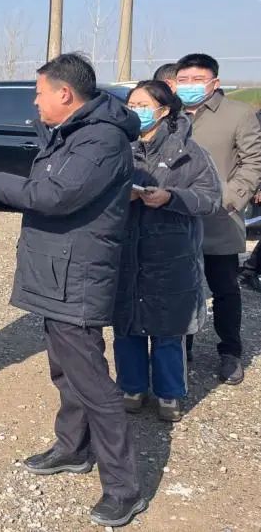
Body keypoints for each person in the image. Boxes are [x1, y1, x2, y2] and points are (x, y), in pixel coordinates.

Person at [0, 53, 145, 528]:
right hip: (57, 271)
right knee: (65, 371)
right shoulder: (73, 133)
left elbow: (52, 195)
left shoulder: (100, 140)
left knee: (94, 384)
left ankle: (124, 489)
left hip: (76, 276)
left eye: (39, 93)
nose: (34, 103)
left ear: (65, 93)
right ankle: (72, 448)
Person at [114, 81, 221, 423]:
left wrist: (171, 197)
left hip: (171, 255)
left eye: (143, 105)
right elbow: (97, 191)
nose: (136, 111)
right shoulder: (119, 148)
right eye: (131, 105)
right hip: (126, 252)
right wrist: (121, 195)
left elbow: (211, 199)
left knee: (168, 329)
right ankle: (131, 387)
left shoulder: (189, 152)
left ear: (163, 110)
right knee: (126, 325)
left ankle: (169, 393)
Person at [171, 53, 261, 384]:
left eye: (197, 80)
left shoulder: (238, 114)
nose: (189, 86)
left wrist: (231, 198)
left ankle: (230, 352)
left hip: (220, 216)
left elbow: (253, 161)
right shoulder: (171, 114)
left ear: (214, 82)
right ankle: (183, 347)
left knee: (224, 288)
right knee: (182, 287)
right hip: (177, 216)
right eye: (183, 80)